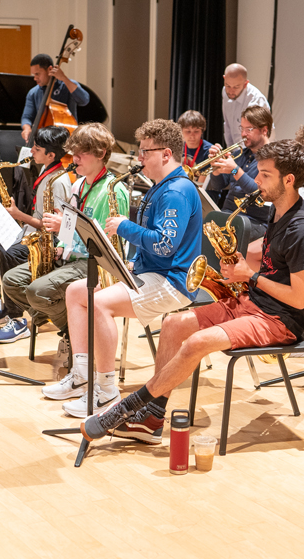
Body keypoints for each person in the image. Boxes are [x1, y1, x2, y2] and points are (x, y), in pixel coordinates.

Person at [81, 139, 304, 443]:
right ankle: (153, 417)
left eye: (264, 175)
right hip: (251, 303)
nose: (256, 181)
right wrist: (240, 262)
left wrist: (251, 276)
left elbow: (300, 298)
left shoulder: (302, 228)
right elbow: (273, 257)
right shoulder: (278, 211)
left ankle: (130, 407)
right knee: (173, 324)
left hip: (278, 320)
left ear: (288, 180)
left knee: (196, 343)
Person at [42, 119, 200, 418]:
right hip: (151, 272)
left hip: (173, 282)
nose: (139, 159)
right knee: (77, 290)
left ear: (166, 154)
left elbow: (165, 245)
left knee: (99, 303)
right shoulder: (162, 188)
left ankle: (106, 390)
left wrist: (125, 227)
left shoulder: (176, 191)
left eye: (145, 153)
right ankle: (81, 374)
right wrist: (131, 262)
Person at [0, 124, 127, 350]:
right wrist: (62, 243)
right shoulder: (78, 184)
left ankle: (77, 333)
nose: (74, 159)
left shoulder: (114, 191)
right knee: (11, 280)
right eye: (73, 153)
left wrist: (67, 229)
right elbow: (69, 229)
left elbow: (109, 245)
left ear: (100, 154)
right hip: (71, 255)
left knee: (37, 291)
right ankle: (72, 327)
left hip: (94, 264)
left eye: (80, 154)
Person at [0, 126, 74, 341]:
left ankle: (17, 320)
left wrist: (18, 214)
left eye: (36, 149)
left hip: (46, 243)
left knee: (11, 253)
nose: (31, 152)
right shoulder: (45, 172)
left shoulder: (58, 181)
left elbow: (53, 227)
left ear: (51, 155)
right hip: (29, 233)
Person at [207, 105, 274, 242]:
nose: (243, 134)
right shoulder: (240, 154)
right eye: (242, 128)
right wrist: (216, 168)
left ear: (264, 130)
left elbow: (259, 192)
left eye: (249, 129)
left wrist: (235, 170)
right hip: (229, 215)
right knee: (202, 224)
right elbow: (217, 186)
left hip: (254, 221)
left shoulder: (273, 158)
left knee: (226, 232)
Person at [20, 54, 89, 147]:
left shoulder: (67, 85)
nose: (35, 78)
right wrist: (27, 128)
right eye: (34, 74)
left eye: (37, 74)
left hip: (66, 142)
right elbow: (26, 117)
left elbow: (84, 100)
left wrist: (64, 78)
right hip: (42, 142)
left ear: (49, 70)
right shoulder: (33, 92)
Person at [220, 63, 270, 148]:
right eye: (228, 85)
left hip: (255, 150)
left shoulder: (256, 99)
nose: (231, 91)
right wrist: (229, 150)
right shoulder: (225, 91)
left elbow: (259, 134)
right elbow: (227, 124)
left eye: (236, 87)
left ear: (245, 84)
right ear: (224, 78)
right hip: (237, 150)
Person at [178, 110, 213, 179]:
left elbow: (201, 183)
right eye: (188, 131)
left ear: (202, 131)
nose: (192, 136)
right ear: (181, 131)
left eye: (196, 131)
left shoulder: (209, 151)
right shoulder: (177, 147)